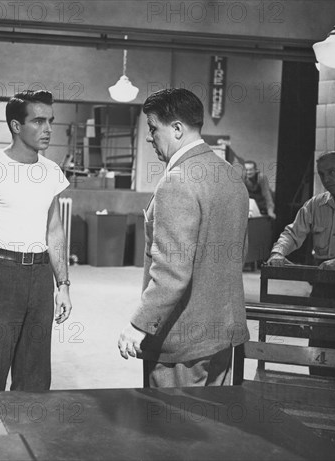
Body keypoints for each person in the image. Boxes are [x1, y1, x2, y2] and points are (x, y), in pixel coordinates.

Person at [117, 88, 250, 388]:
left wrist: (139, 324)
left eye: (153, 128)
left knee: (171, 430)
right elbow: (240, 253)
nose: (149, 137)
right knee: (212, 428)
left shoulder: (176, 182)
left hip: (182, 342)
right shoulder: (230, 175)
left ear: (177, 128)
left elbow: (172, 272)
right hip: (223, 335)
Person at [0, 90, 72, 391]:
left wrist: (63, 285)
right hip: (2, 272)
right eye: (38, 121)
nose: (48, 129)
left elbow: (54, 232)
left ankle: (29, 436)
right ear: (15, 126)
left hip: (39, 277)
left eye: (50, 121)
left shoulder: (51, 172)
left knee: (35, 373)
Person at [267, 150, 335, 377]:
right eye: (322, 174)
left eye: (333, 172)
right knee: (320, 350)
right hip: (323, 289)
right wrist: (278, 253)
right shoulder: (315, 204)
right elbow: (292, 233)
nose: (327, 179)